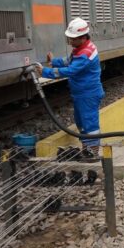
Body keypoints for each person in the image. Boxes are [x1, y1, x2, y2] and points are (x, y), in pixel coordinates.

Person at [36, 18, 104, 154]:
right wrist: (54, 61)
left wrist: (45, 72)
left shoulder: (85, 54)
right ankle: (87, 148)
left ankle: (93, 151)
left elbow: (71, 70)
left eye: (73, 39)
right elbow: (69, 61)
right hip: (82, 94)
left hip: (88, 94)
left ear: (83, 37)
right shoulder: (81, 49)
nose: (70, 42)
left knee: (89, 123)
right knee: (81, 121)